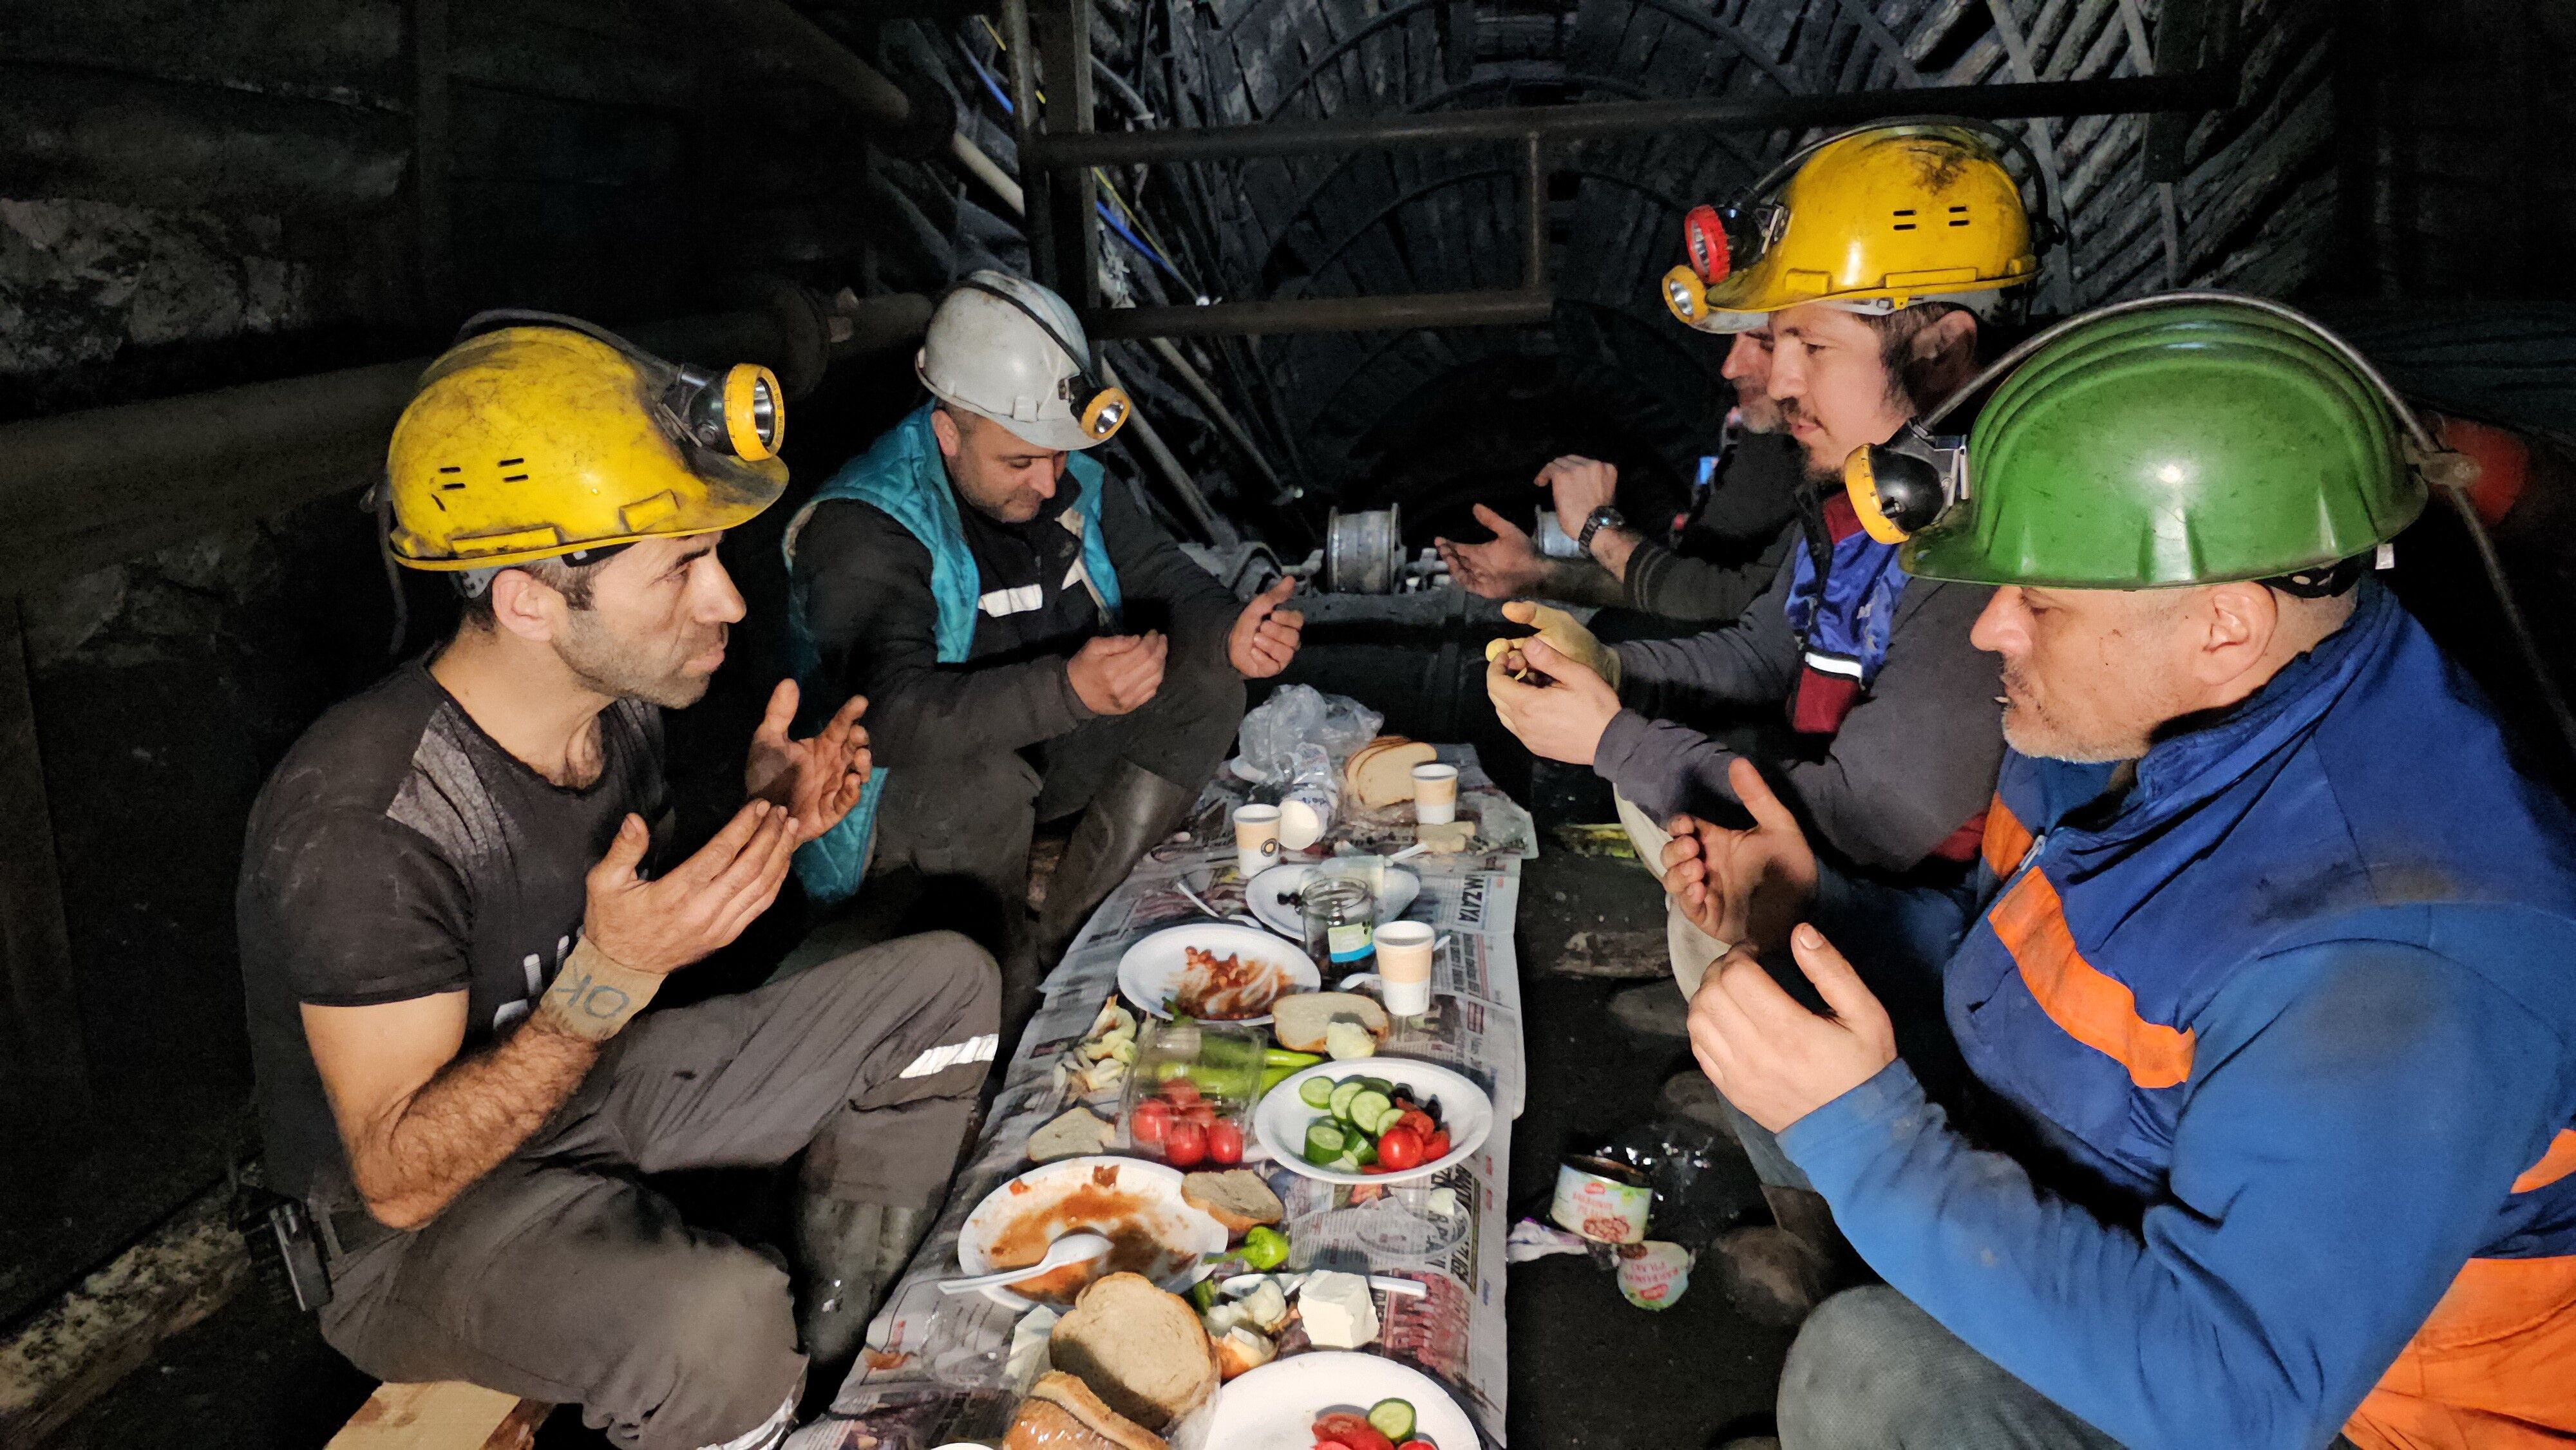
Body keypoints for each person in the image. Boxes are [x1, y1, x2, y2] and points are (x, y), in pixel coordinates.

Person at [1660, 297, 2576, 1450]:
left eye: (2038, 600)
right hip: (2146, 1210)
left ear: (2224, 626)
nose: (1992, 628)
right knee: (1798, 986)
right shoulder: (2127, 730)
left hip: (2356, 1421)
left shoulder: (2404, 952)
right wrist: (1818, 901)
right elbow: (2027, 965)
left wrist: (1874, 1137)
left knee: (1872, 1373)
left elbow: (2238, 1394)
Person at [236, 317, 1001, 1450]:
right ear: (530, 599)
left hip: (581, 1085)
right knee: (715, 1321)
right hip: (410, 1234)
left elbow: (632, 929)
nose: (728, 602)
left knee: (945, 984)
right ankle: (754, 1403)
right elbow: (397, 1177)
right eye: (681, 566)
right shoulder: (367, 823)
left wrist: (767, 822)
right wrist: (612, 975)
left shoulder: (617, 711)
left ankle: (854, 1363)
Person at [1490, 122, 2033, 912]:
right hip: (1818, 879)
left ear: (1941, 348)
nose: (1778, 380)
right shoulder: (1864, 497)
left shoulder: (1992, 541)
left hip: (1906, 933)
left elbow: (1867, 815)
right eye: (1778, 340)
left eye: (1810, 345)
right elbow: (1764, 649)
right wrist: (1614, 671)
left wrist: (1614, 738)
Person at [783, 272, 1302, 1028]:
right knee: (981, 779)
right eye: (1020, 462)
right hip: (887, 807)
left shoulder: (1066, 475)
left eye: (1058, 456)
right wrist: (1068, 690)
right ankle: (1006, 1000)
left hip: (1040, 752)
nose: (1049, 479)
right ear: (947, 430)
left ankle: (1071, 937)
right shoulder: (867, 527)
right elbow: (884, 717)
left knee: (1210, 680)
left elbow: (1164, 577)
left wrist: (1232, 630)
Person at [1435, 326, 1803, 628]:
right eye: (1735, 339)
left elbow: (1731, 602)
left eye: (1764, 342)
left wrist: (1599, 528)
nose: (1729, 367)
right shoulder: (1772, 443)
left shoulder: (1830, 470)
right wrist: (1539, 574)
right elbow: (1694, 582)